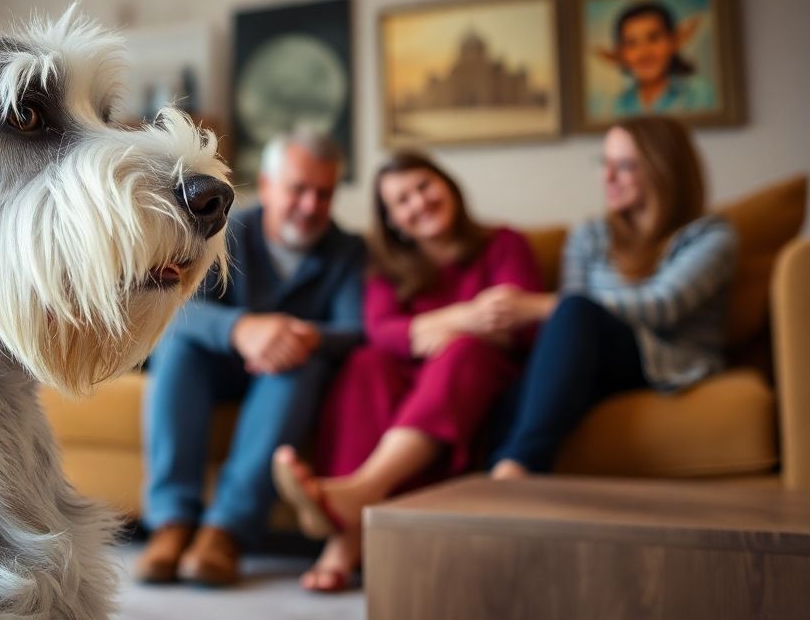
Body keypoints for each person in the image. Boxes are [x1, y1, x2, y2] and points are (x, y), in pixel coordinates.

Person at [273, 151, 542, 593]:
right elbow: (381, 332)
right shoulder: (384, 266)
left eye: (424, 186)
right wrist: (467, 315)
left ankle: (359, 498)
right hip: (409, 378)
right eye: (401, 200)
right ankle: (350, 530)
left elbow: (516, 321)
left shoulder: (503, 243)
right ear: (393, 221)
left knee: (462, 351)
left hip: (480, 377)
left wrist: (434, 330)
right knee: (366, 363)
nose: (418, 202)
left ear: (448, 186)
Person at [136, 128, 366, 588]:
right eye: (298, 190)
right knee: (177, 346)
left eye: (323, 194)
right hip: (218, 366)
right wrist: (242, 329)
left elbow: (355, 329)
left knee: (299, 361)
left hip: (286, 374)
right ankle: (171, 523)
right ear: (266, 186)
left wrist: (298, 336)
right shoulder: (227, 229)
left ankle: (226, 532)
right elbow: (178, 305)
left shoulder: (348, 250)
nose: (310, 206)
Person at [488, 116, 737, 479]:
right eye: (604, 163)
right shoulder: (590, 235)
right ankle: (492, 481)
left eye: (624, 166)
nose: (607, 177)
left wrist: (541, 305)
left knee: (574, 310)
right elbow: (568, 329)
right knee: (513, 389)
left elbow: (663, 304)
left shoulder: (711, 236)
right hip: (597, 357)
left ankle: (517, 469)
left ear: (663, 169)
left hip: (666, 360)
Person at [602, 0, 715, 116]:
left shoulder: (699, 93)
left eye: (654, 38)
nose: (644, 53)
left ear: (672, 41)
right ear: (622, 54)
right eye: (631, 44)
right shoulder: (619, 104)